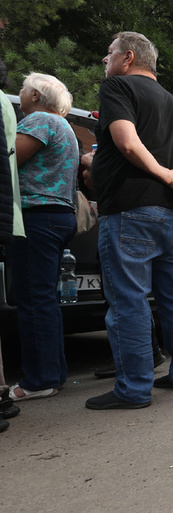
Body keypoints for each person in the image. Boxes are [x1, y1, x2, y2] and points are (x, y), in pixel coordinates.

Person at [86, 32, 173, 410]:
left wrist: (164, 173)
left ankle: (133, 388)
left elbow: (127, 143)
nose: (104, 61)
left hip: (129, 211)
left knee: (129, 300)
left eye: (108, 54)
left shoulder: (117, 87)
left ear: (128, 57)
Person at [6, 73, 79, 403]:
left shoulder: (38, 119)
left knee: (33, 301)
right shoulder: (65, 126)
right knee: (44, 300)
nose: (19, 93)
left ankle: (40, 380)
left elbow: (7, 165)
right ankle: (54, 374)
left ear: (35, 95)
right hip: (60, 216)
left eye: (22, 89)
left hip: (37, 217)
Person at [0, 58, 23, 423]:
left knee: (35, 305)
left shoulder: (41, 125)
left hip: (32, 216)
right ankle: (2, 391)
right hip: (10, 211)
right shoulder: (5, 104)